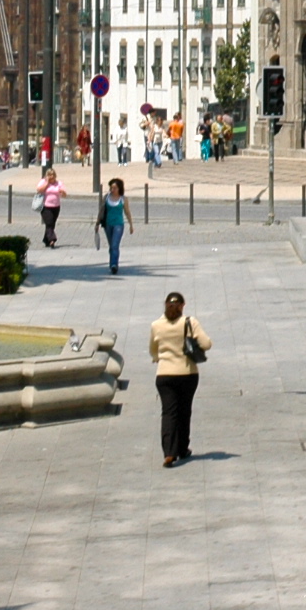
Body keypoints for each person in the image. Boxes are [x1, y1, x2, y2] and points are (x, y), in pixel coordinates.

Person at [149, 291, 212, 467]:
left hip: (164, 375)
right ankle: (182, 448)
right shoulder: (190, 322)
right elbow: (206, 344)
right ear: (182, 306)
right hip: (187, 373)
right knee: (184, 411)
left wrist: (159, 358)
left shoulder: (156, 325)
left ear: (165, 305)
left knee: (168, 413)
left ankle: (169, 453)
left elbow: (153, 350)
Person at [98, 177, 134, 274]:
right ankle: (112, 263)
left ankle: (114, 264)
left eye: (114, 188)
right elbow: (101, 211)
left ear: (119, 188)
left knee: (115, 245)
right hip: (108, 224)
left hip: (118, 224)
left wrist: (131, 225)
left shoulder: (123, 199)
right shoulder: (106, 197)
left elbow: (127, 212)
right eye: (111, 187)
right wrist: (97, 223)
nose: (112, 190)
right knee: (111, 245)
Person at [37, 167, 67, 248]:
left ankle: (46, 240)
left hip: (56, 207)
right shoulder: (43, 182)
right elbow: (39, 190)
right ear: (46, 176)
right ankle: (52, 240)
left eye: (53, 175)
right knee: (49, 223)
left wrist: (62, 192)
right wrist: (47, 183)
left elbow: (64, 195)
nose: (51, 176)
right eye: (49, 175)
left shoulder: (59, 183)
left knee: (51, 224)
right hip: (45, 207)